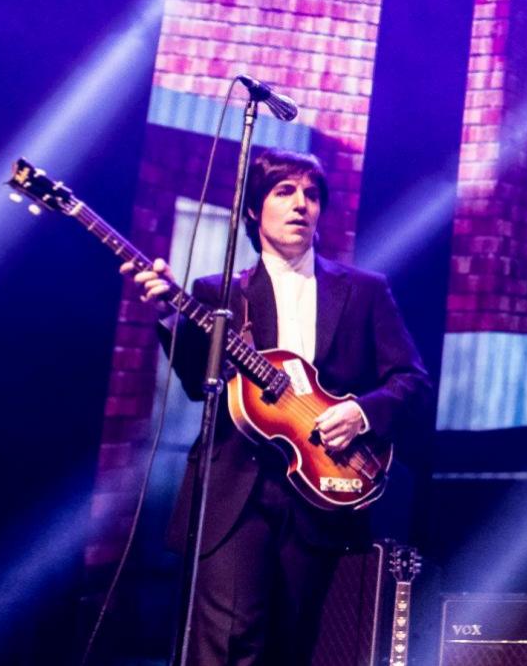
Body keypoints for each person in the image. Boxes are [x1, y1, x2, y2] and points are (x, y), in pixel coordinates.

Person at [126, 149, 433, 666]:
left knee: (292, 645)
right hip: (235, 492)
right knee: (228, 640)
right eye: (284, 192)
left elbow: (413, 382)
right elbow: (199, 386)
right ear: (253, 210)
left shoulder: (363, 292)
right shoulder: (220, 293)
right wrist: (169, 316)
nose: (300, 205)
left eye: (311, 195)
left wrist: (359, 412)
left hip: (321, 490)